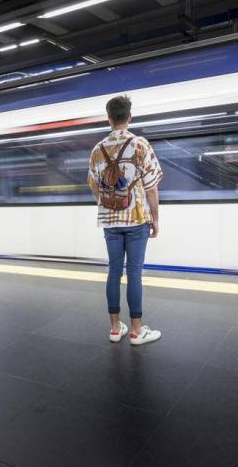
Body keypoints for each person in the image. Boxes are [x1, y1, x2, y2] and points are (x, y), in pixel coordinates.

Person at [87, 95, 163, 346]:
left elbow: (94, 187)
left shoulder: (97, 150)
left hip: (110, 220)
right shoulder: (140, 144)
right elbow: (151, 187)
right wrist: (155, 217)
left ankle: (113, 328)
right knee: (134, 273)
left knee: (113, 271)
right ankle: (136, 331)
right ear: (129, 117)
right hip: (136, 218)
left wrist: (108, 204)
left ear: (108, 118)